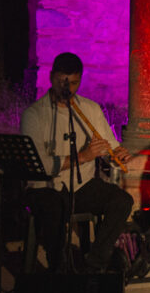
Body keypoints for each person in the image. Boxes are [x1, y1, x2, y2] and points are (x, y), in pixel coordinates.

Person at [19, 53, 134, 273]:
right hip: (45, 187)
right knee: (53, 207)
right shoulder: (33, 115)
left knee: (122, 201)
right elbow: (38, 165)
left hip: (81, 186)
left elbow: (108, 146)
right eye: (62, 82)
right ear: (51, 78)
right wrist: (83, 156)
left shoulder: (90, 110)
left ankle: (95, 264)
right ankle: (59, 271)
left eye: (73, 83)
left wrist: (116, 156)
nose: (67, 88)